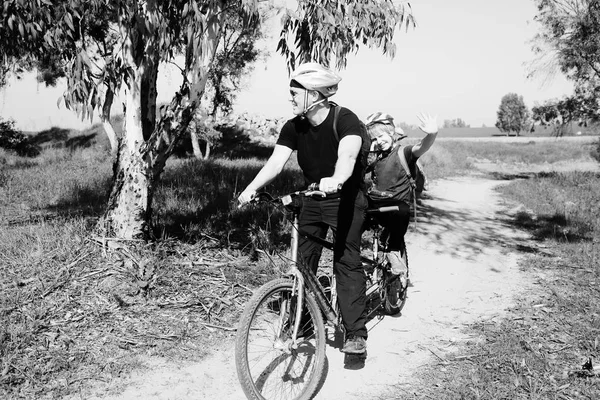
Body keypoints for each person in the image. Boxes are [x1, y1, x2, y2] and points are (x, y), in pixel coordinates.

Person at [237, 62, 370, 355]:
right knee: (301, 262)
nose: (291, 98)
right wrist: (250, 189)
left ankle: (355, 333)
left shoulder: (345, 119)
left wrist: (336, 180)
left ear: (315, 94)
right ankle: (305, 320)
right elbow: (275, 162)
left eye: (296, 92)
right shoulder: (294, 125)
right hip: (313, 198)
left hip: (344, 198)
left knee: (345, 261)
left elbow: (347, 155)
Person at [364, 111, 438, 286]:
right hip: (375, 202)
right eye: (374, 139)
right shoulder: (375, 157)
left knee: (402, 211)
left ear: (392, 133)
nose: (378, 141)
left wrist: (432, 134)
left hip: (395, 205)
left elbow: (421, 147)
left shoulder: (403, 152)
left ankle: (394, 250)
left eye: (381, 136)